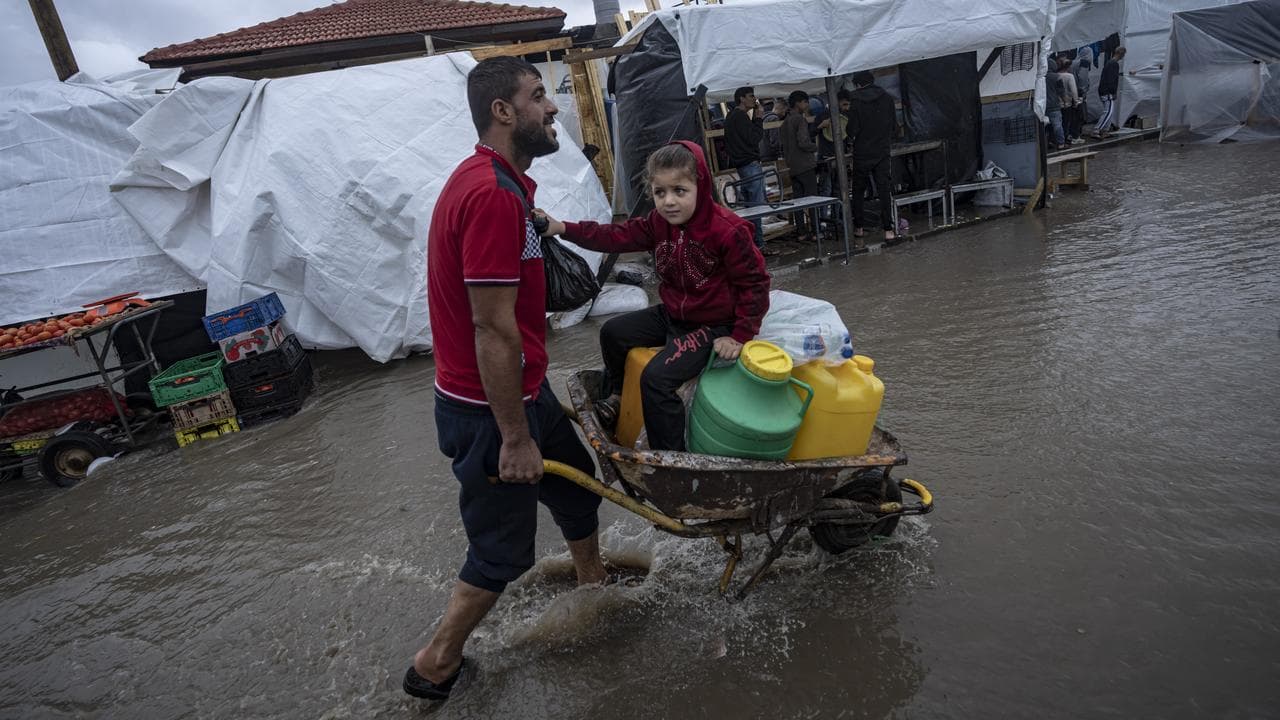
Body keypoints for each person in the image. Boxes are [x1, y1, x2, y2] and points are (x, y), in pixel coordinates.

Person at [407, 56, 607, 702]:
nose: (552, 109)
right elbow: (491, 329)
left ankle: (593, 588)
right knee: (501, 552)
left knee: (578, 493)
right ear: (502, 111)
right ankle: (435, 664)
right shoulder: (492, 197)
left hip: (517, 392)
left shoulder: (497, 182)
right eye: (537, 96)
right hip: (491, 409)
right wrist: (514, 437)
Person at [538, 141, 771, 451]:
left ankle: (671, 459)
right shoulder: (658, 224)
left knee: (656, 378)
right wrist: (562, 227)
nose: (669, 201)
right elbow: (614, 236)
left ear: (700, 186)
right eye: (660, 192)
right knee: (613, 332)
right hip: (674, 314)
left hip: (716, 325)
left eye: (679, 190)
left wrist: (740, 335)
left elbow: (755, 284)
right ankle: (620, 397)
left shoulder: (729, 231)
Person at [847, 71, 897, 243]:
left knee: (859, 190)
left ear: (858, 84)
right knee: (884, 190)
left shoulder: (856, 101)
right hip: (882, 151)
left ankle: (859, 228)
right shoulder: (887, 98)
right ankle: (888, 230)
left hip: (862, 152)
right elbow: (894, 126)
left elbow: (851, 129)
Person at [724, 86, 766, 247]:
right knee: (756, 205)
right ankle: (758, 243)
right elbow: (754, 138)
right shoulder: (740, 117)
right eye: (751, 96)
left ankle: (752, 243)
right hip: (749, 164)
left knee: (751, 205)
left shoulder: (732, 117)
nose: (754, 99)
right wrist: (758, 118)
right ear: (741, 98)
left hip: (742, 164)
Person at [782, 90, 819, 240]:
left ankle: (801, 232)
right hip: (805, 165)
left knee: (798, 201)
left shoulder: (784, 122)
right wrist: (815, 147)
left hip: (792, 166)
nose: (807, 105)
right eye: (805, 102)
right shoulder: (800, 120)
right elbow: (803, 142)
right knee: (813, 200)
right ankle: (816, 232)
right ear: (798, 103)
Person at [1094, 46, 1126, 138]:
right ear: (1120, 54)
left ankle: (1105, 130)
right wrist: (1113, 92)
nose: (1123, 57)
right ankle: (1097, 129)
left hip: (1103, 90)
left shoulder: (1109, 63)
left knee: (1109, 111)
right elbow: (1112, 79)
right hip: (1107, 91)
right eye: (1123, 55)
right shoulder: (1114, 64)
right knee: (1108, 111)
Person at [1057, 56, 1084, 144]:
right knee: (1069, 121)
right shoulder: (1069, 76)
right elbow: (1073, 91)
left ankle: (1060, 139)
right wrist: (1076, 101)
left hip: (1057, 103)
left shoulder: (1056, 75)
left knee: (1059, 122)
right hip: (1067, 103)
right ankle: (1069, 137)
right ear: (1068, 67)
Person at [759, 98, 788, 162]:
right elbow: (775, 140)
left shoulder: (764, 118)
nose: (784, 114)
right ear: (782, 109)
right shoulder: (774, 118)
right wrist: (780, 154)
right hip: (770, 155)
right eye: (785, 111)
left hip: (762, 153)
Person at [1073, 47, 1093, 136]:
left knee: (1073, 113)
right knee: (1080, 113)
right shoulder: (1084, 63)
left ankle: (1073, 133)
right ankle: (1077, 134)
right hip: (1079, 92)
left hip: (1072, 91)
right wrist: (1083, 90)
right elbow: (1082, 78)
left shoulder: (1074, 62)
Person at [1045, 65, 1066, 150]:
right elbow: (1061, 91)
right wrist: (1065, 101)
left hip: (1042, 106)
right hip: (1054, 105)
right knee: (1057, 125)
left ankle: (1048, 142)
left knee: (1045, 126)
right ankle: (1061, 144)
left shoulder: (1039, 76)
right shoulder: (1057, 77)